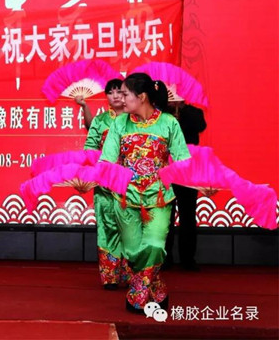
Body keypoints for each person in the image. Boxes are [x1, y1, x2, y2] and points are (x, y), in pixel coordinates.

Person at [99, 72, 190, 314]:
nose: (120, 99)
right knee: (132, 252)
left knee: (155, 245)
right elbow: (107, 160)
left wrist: (202, 183)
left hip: (158, 197)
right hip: (125, 198)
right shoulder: (120, 123)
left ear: (141, 97)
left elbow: (183, 160)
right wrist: (91, 179)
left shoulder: (168, 123)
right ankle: (156, 286)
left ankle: (138, 293)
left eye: (125, 94)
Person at [82, 79, 128, 290]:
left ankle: (131, 274)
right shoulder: (100, 121)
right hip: (105, 184)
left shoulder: (136, 119)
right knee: (107, 227)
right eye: (111, 92)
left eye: (119, 91)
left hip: (131, 184)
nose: (115, 96)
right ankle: (110, 276)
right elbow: (90, 149)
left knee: (130, 228)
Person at [164, 101, 207, 271]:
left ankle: (188, 259)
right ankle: (165, 258)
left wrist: (182, 113)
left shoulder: (193, 112)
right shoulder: (160, 112)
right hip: (167, 170)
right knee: (165, 216)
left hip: (188, 172)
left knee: (188, 216)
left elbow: (201, 126)